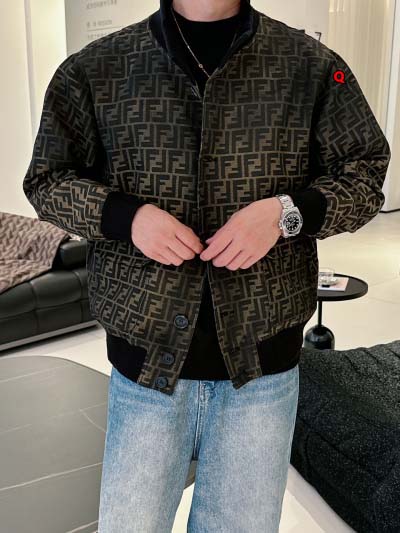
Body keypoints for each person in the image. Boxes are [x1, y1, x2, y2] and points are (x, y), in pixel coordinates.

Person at [23, 0, 391, 531]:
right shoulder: (97, 68)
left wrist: (285, 214)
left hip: (262, 372)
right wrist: (127, 217)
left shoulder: (309, 65)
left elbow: (364, 176)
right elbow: (48, 180)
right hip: (146, 366)